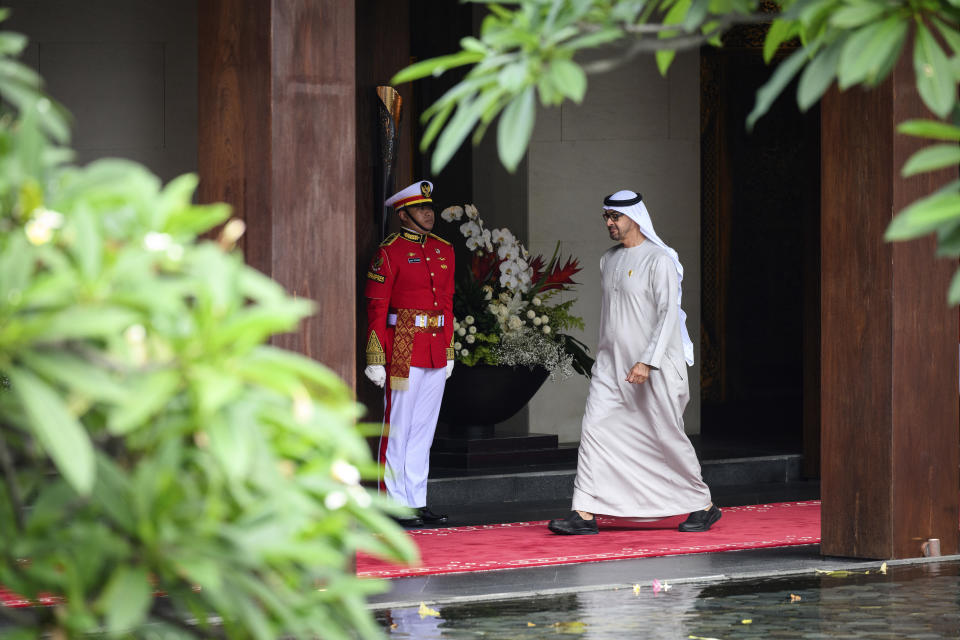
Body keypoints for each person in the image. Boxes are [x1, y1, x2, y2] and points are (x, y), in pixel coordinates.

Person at [548, 190, 720, 535]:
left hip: (653, 367)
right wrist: (605, 359)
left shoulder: (660, 260)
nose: (610, 224)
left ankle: (703, 504)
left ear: (635, 217)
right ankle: (583, 512)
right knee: (594, 430)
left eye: (616, 217)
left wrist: (647, 362)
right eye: (606, 218)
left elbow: (667, 314)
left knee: (666, 434)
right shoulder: (607, 260)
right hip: (611, 368)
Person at [364, 180, 455, 528]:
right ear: (403, 214)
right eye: (420, 209)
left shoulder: (444, 250)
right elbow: (376, 307)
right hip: (401, 344)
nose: (428, 213)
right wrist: (376, 356)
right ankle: (391, 505)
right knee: (397, 428)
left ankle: (416, 501)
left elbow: (447, 303)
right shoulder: (389, 252)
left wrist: (448, 349)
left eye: (429, 208)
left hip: (434, 346)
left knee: (423, 430)